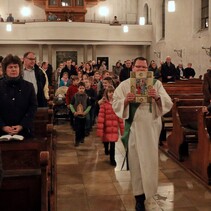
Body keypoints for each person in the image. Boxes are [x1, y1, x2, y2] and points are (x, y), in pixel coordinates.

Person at [112, 56, 173, 211]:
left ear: (148, 69)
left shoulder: (156, 84)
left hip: (151, 128)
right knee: (136, 162)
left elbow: (168, 102)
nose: (141, 69)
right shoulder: (125, 85)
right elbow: (115, 103)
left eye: (144, 67)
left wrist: (157, 97)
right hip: (134, 128)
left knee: (149, 161)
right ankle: (139, 198)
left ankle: (149, 193)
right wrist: (126, 101)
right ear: (133, 68)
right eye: (138, 67)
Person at [0, 54, 38, 138]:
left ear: (19, 69)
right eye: (10, 67)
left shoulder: (29, 86)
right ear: (5, 70)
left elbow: (33, 107)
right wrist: (3, 126)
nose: (13, 69)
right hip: (2, 131)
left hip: (24, 130)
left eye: (15, 67)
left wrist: (21, 125)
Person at [97, 85, 124, 166]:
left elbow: (120, 116)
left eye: (113, 92)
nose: (111, 94)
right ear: (107, 93)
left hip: (114, 128)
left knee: (113, 144)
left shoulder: (117, 103)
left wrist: (122, 129)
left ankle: (112, 159)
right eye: (110, 92)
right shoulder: (104, 104)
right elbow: (101, 117)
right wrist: (100, 130)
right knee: (106, 141)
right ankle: (106, 148)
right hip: (106, 127)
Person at [70, 82, 91, 146]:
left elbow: (89, 105)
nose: (81, 90)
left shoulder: (86, 96)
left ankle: (82, 137)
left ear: (85, 89)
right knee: (77, 128)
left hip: (84, 115)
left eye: (83, 88)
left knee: (82, 127)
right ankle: (77, 140)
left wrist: (85, 112)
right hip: (77, 115)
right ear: (78, 88)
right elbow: (71, 104)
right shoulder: (75, 96)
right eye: (80, 88)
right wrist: (74, 112)